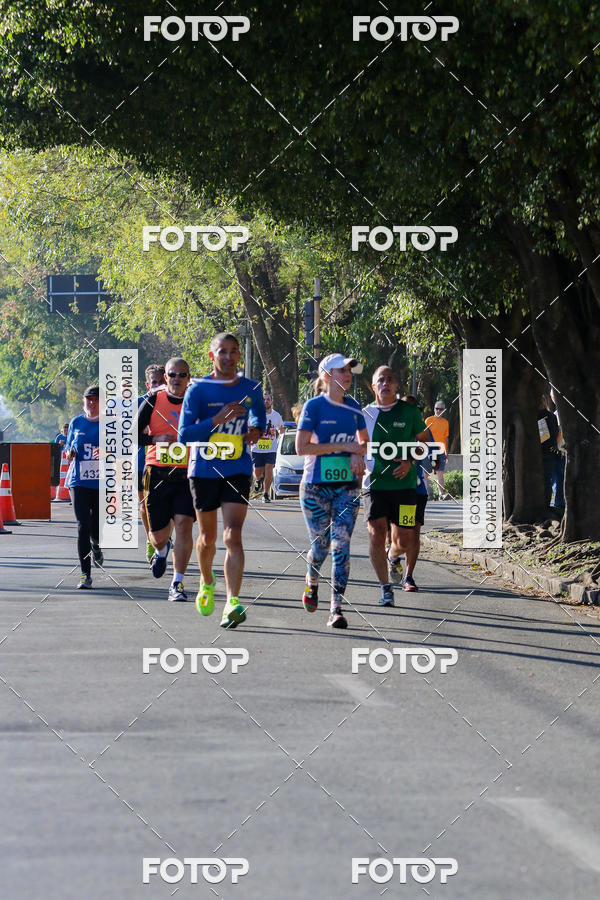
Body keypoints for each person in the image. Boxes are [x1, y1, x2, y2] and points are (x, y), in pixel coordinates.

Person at [178, 333, 266, 628]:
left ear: (239, 354)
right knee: (207, 539)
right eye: (222, 352)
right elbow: (185, 435)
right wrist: (218, 419)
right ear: (211, 355)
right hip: (203, 469)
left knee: (233, 535)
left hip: (237, 469)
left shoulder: (250, 387)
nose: (228, 357)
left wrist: (254, 431)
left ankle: (232, 601)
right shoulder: (198, 389)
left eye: (233, 351)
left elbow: (259, 421)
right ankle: (206, 581)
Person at [296, 353, 367, 629]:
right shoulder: (313, 408)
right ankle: (311, 580)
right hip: (315, 488)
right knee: (321, 547)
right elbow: (302, 448)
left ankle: (336, 608)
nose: (348, 374)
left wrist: (359, 454)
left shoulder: (354, 408)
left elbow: (364, 442)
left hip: (347, 488)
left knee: (342, 546)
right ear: (326, 376)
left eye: (350, 370)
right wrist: (345, 448)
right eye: (342, 370)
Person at [363, 367, 430, 602]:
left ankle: (393, 556)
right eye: (380, 380)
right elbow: (356, 445)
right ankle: (385, 589)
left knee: (404, 541)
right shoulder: (365, 415)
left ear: (397, 385)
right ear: (373, 386)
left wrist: (410, 461)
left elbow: (423, 443)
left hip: (406, 486)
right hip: (374, 485)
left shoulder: (409, 411)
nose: (385, 383)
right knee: (376, 534)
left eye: (390, 379)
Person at [137, 358, 195, 601]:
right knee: (158, 535)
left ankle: (177, 583)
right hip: (157, 472)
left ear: (188, 378)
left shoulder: (196, 402)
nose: (177, 379)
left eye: (182, 375)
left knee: (184, 525)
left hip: (186, 474)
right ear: (167, 377)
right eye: (172, 374)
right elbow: (132, 434)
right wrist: (156, 439)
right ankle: (161, 550)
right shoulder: (153, 400)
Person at [64, 386, 102, 589]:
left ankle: (96, 543)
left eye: (96, 399)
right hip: (79, 480)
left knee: (95, 526)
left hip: (102, 482)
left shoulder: (110, 424)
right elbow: (68, 446)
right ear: (83, 400)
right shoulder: (76, 422)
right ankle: (85, 574)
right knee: (82, 526)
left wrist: (106, 453)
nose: (92, 402)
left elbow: (122, 450)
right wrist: (69, 453)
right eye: (89, 399)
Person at [402, 394, 432, 580]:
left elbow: (426, 448)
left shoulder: (422, 432)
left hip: (416, 490)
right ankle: (393, 555)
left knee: (414, 532)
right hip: (394, 489)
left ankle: (409, 575)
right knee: (398, 532)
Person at [138, 364, 166, 562]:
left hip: (167, 460)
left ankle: (163, 536)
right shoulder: (140, 402)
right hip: (142, 458)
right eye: (154, 383)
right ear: (148, 384)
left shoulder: (173, 401)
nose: (158, 386)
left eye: (161, 382)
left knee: (168, 505)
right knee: (145, 503)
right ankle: (151, 539)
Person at [251, 391, 284, 502]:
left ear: (271, 402)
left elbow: (281, 428)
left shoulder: (276, 415)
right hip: (256, 448)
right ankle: (257, 480)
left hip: (271, 448)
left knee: (269, 468)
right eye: (264, 400)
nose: (266, 401)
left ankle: (265, 494)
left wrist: (281, 430)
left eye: (268, 399)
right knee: (257, 472)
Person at [538, 391, 562, 515]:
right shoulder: (551, 416)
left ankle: (543, 505)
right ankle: (547, 503)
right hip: (551, 452)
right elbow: (558, 433)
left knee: (542, 480)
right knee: (548, 480)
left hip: (540, 452)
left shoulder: (536, 416)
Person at [424, 400, 449, 495]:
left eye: (440, 409)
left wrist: (447, 452)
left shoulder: (445, 422)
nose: (438, 411)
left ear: (444, 410)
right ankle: (424, 494)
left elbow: (446, 438)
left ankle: (441, 494)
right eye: (436, 408)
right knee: (426, 474)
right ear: (434, 409)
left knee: (440, 474)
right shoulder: (428, 420)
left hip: (441, 451)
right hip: (429, 450)